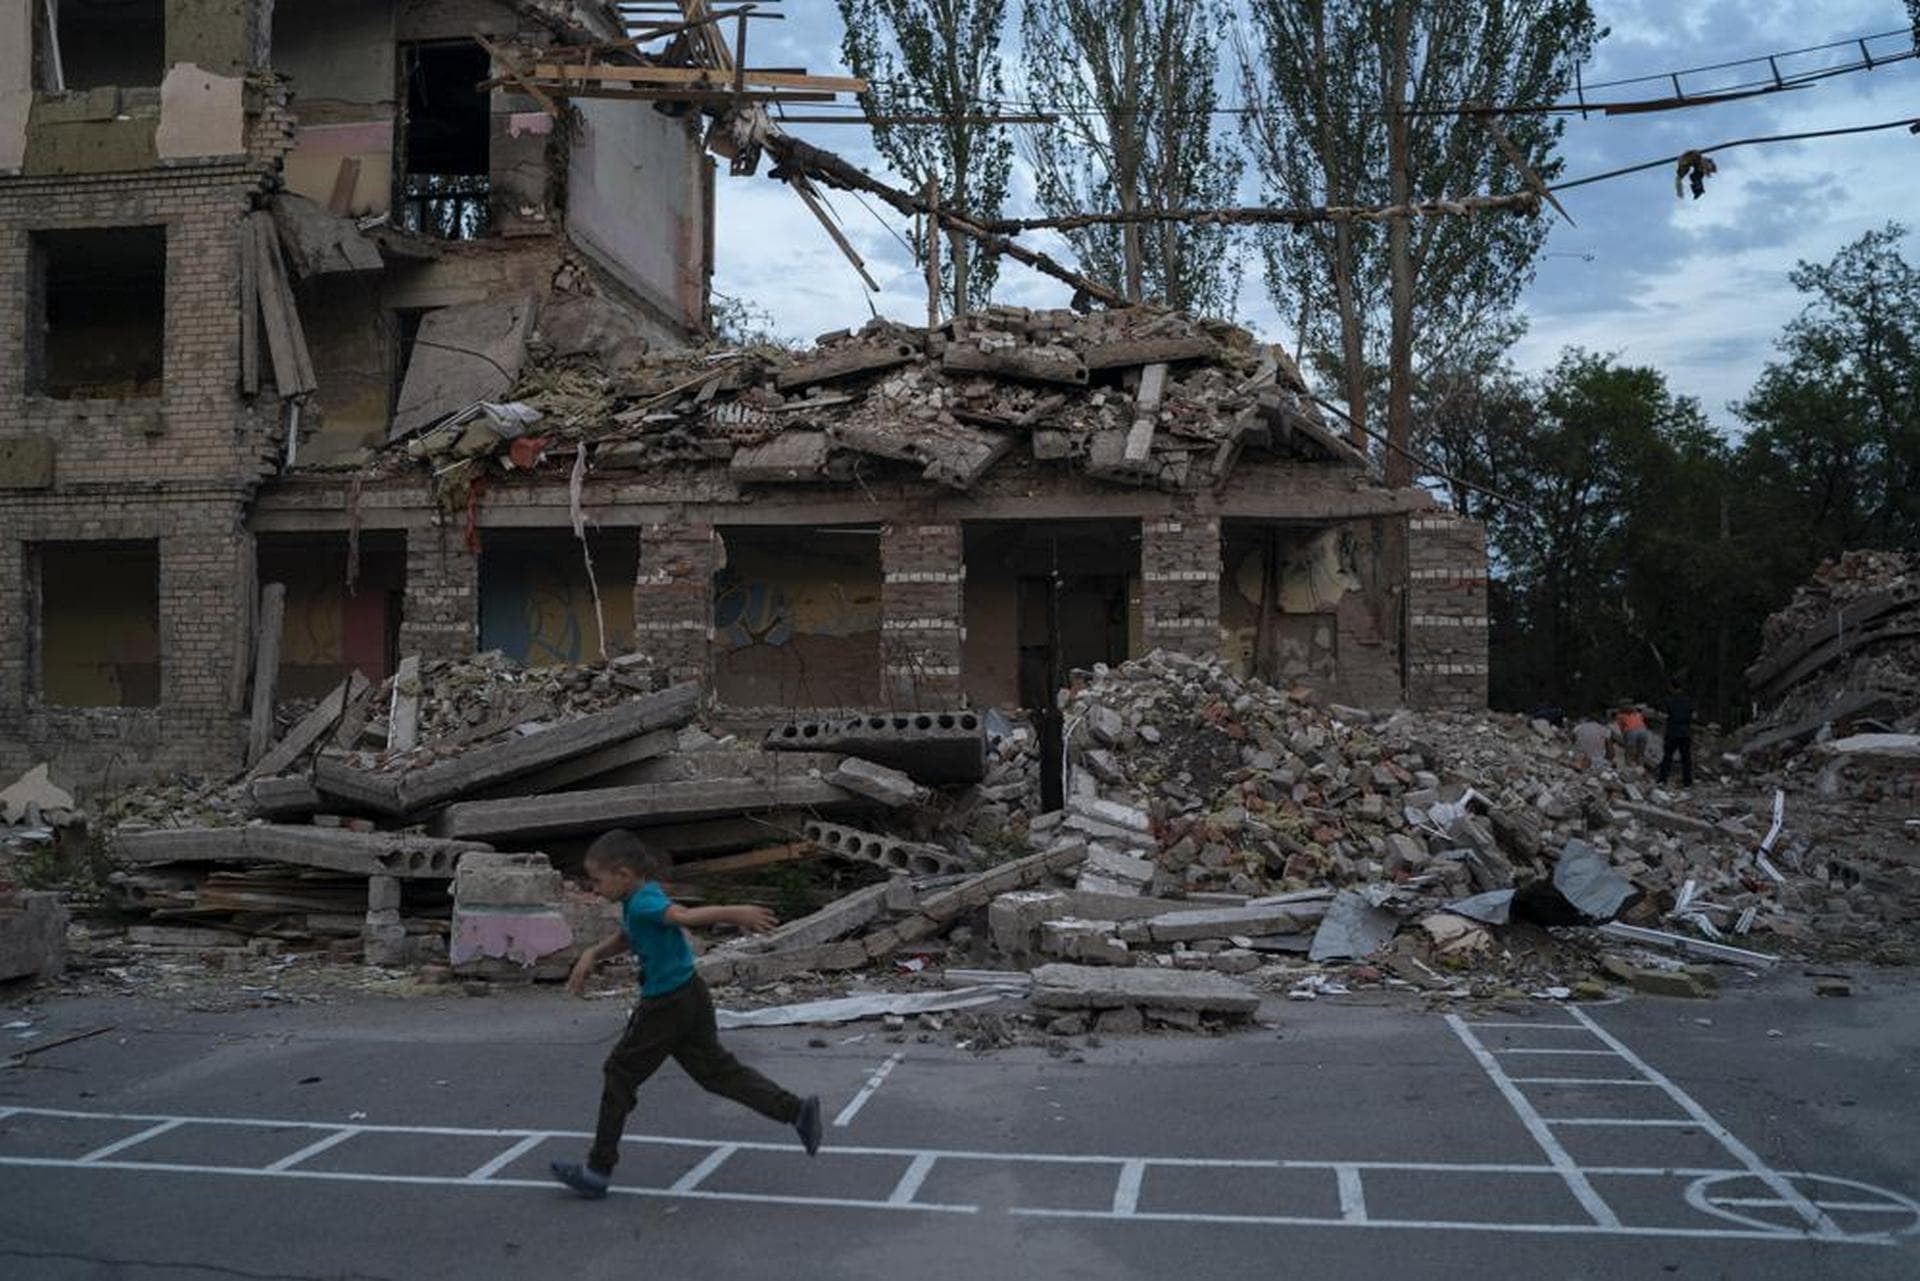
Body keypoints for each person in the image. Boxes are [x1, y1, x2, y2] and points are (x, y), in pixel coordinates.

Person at [549, 829, 822, 1200]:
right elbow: (630, 935)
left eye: (598, 880)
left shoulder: (645, 902)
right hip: (690, 995)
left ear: (623, 874)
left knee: (619, 1074)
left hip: (665, 1005)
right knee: (716, 1072)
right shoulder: (641, 898)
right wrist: (591, 955)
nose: (594, 889)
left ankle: (597, 1170)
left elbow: (683, 916)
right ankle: (797, 1111)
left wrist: (734, 911)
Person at [1657, 679, 1694, 787]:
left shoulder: (1669, 700)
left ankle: (1662, 779)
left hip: (1672, 731)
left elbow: (1664, 716)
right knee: (1686, 758)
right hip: (1685, 732)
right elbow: (1693, 715)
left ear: (1672, 687)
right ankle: (1687, 781)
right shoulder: (1688, 700)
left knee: (1668, 757)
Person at [1613, 703, 1652, 768]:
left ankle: (1629, 766)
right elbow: (1642, 722)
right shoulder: (1637, 714)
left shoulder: (1620, 716)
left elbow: (1621, 727)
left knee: (1630, 751)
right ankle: (1640, 766)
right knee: (1641, 751)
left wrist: (1624, 737)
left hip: (1632, 731)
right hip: (1643, 731)